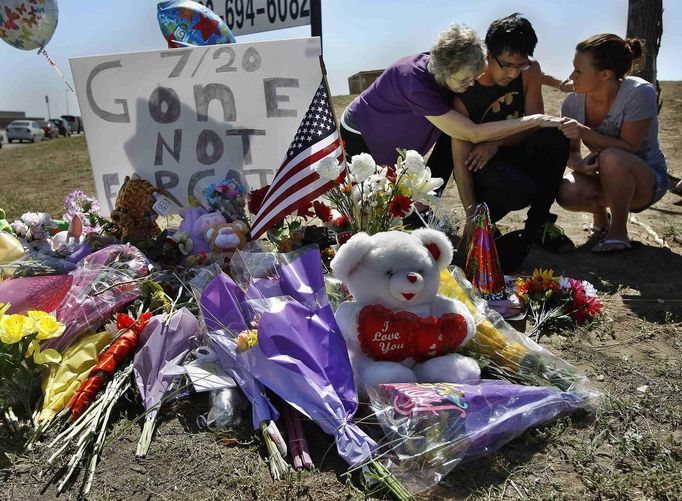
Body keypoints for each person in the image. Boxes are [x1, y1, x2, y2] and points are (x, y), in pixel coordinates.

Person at [340, 24, 563, 172]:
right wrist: (535, 120)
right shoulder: (415, 83)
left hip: (396, 125)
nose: (471, 85)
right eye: (465, 80)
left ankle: (424, 207)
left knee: (449, 138)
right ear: (446, 70)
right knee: (369, 193)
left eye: (474, 78)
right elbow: (472, 133)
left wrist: (557, 82)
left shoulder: (450, 66)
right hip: (363, 130)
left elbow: (531, 72)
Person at [445, 13, 575, 253]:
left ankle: (537, 225)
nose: (513, 74)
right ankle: (485, 223)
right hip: (483, 166)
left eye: (521, 64)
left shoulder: (530, 71)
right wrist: (470, 216)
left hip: (509, 149)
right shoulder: (465, 89)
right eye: (506, 65)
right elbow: (460, 164)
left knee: (554, 137)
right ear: (488, 55)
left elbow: (534, 125)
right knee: (514, 188)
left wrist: (496, 142)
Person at [557, 34, 668, 253]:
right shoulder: (572, 103)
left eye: (579, 71)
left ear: (605, 74)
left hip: (646, 181)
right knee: (566, 192)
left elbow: (629, 147)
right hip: (603, 176)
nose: (572, 76)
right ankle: (600, 217)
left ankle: (618, 233)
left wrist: (583, 130)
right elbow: (572, 153)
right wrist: (579, 166)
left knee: (612, 156)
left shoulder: (639, 93)